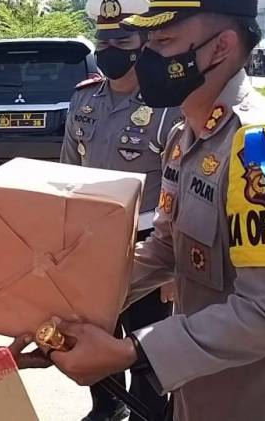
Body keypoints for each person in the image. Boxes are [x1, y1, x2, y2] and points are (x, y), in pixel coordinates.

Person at [38, 0, 265, 420]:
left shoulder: (262, 148)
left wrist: (134, 350)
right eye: (147, 41)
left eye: (163, 41)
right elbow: (165, 249)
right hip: (201, 393)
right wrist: (62, 294)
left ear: (221, 47)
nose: (146, 56)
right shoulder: (185, 137)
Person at [60, 0, 180, 419]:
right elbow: (67, 172)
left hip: (150, 241)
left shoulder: (168, 106)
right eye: (103, 42)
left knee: (145, 340)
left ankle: (150, 411)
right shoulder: (84, 98)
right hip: (91, 239)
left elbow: (179, 191)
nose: (110, 51)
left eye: (122, 42)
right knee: (93, 331)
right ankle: (107, 406)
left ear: (144, 44)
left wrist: (175, 270)